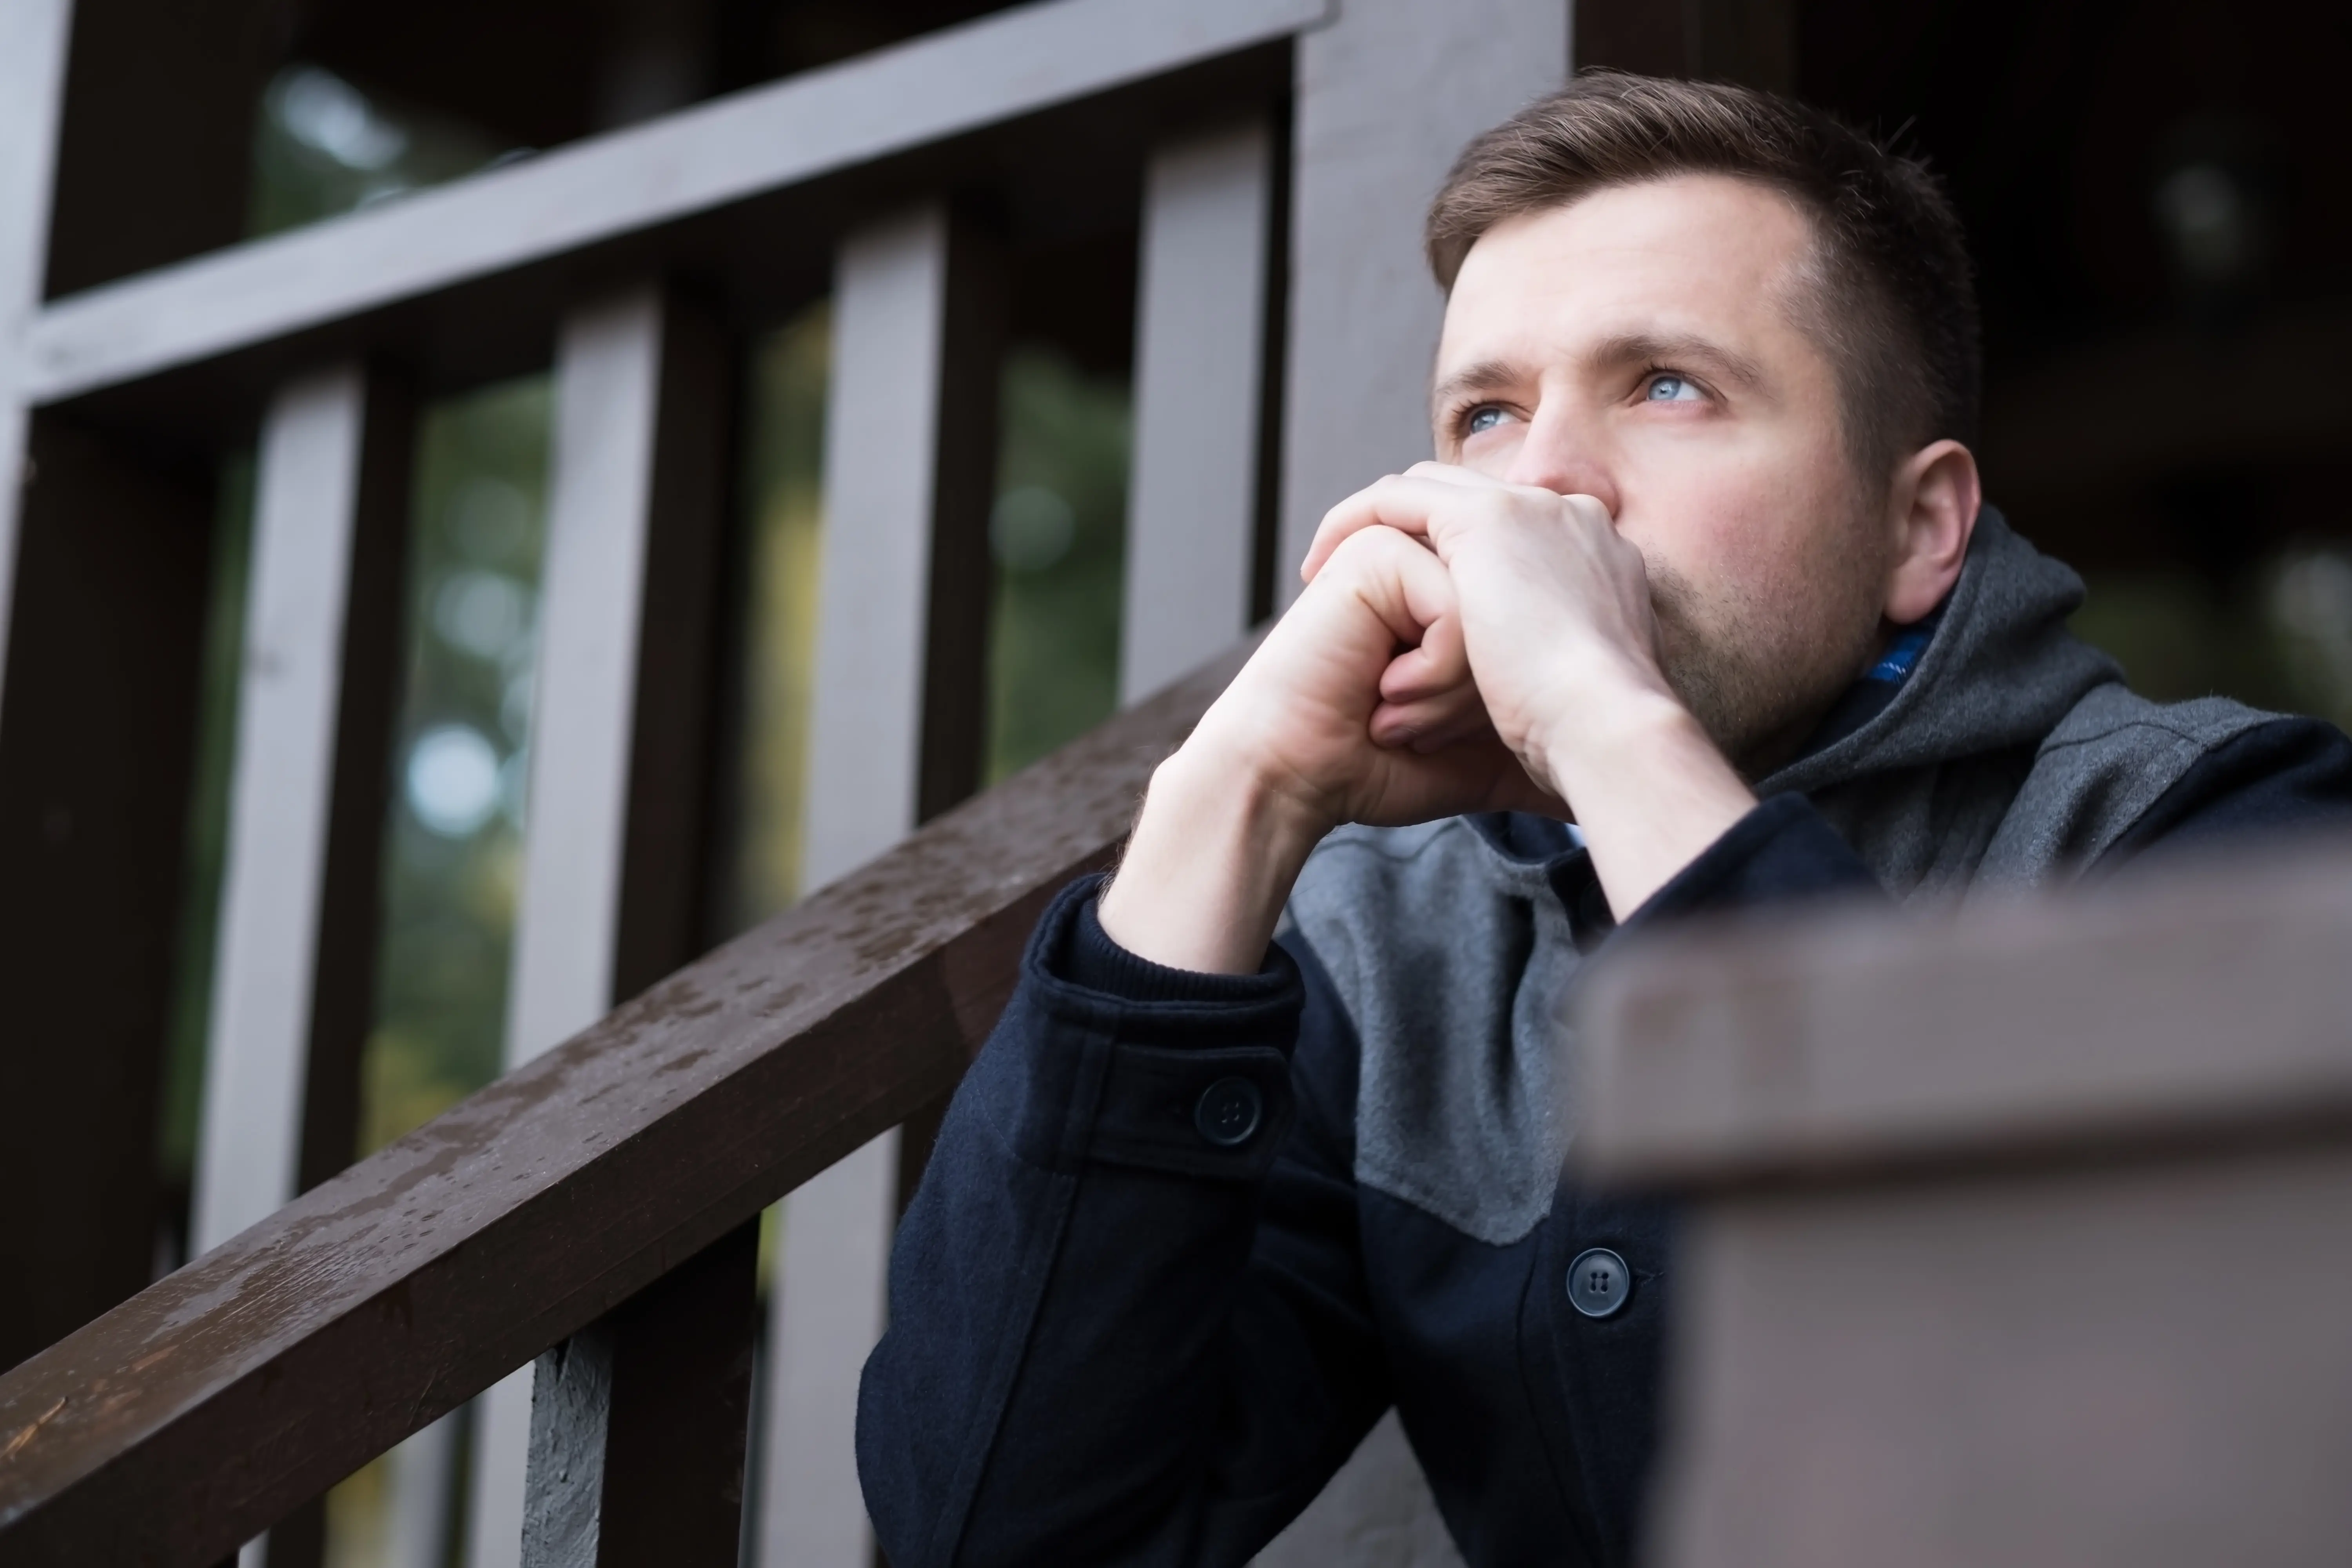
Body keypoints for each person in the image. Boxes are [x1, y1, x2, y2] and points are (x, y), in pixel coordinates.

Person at [855, 73, 2352, 1567]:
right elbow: (995, 1534)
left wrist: (1602, 719)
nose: (1543, 484)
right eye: (1487, 414)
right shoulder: (1394, 950)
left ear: (1918, 529)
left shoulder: (2223, 831)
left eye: (1667, 385)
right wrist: (1228, 802)